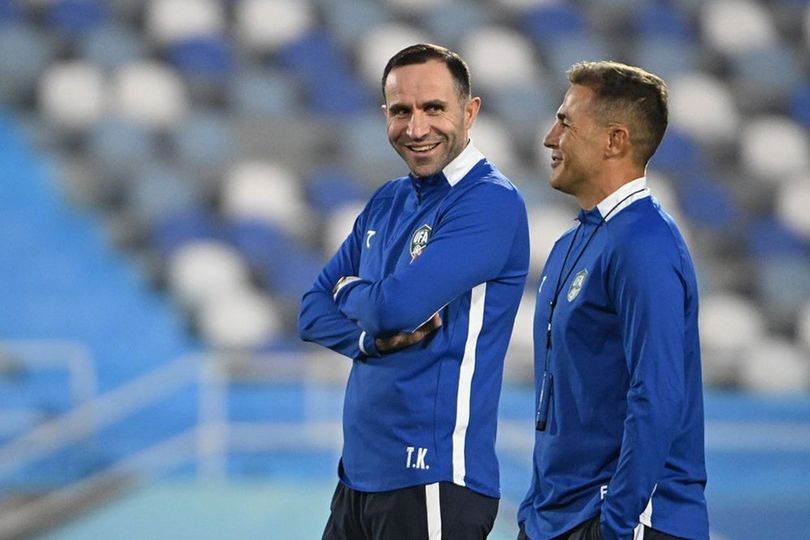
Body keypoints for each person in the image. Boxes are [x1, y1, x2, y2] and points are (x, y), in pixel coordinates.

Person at [299, 43, 530, 539]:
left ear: (470, 112)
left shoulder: (489, 202)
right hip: (359, 477)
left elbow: (396, 309)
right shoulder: (387, 200)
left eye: (434, 108)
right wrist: (369, 340)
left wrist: (350, 289)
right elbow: (310, 312)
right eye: (401, 111)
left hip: (432, 476)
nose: (416, 128)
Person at [517, 61, 709, 540]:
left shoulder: (645, 244)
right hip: (557, 517)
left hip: (626, 520)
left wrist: (617, 522)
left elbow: (657, 393)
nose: (550, 138)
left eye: (565, 123)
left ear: (615, 140)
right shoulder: (574, 241)